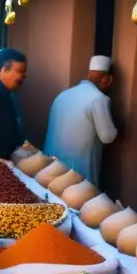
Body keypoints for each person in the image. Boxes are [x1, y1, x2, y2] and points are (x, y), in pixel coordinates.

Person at [42, 55, 118, 184]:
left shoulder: (63, 94)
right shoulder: (98, 99)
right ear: (105, 77)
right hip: (76, 176)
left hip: (50, 169)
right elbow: (108, 136)